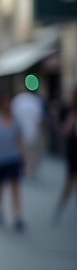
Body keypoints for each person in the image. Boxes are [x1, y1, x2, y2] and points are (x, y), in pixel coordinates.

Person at [0, 93, 25, 232]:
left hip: (13, 158)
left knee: (15, 187)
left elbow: (20, 141)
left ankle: (17, 215)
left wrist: (23, 158)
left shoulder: (16, 122)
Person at [53, 88, 77, 223]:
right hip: (73, 151)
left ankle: (59, 210)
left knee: (70, 182)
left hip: (73, 152)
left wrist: (55, 117)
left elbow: (65, 131)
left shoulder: (73, 114)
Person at [11, 88, 43, 178]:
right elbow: (38, 119)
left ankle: (25, 168)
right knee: (30, 151)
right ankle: (29, 168)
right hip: (32, 132)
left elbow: (13, 116)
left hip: (21, 132)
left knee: (22, 151)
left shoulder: (18, 100)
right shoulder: (35, 101)